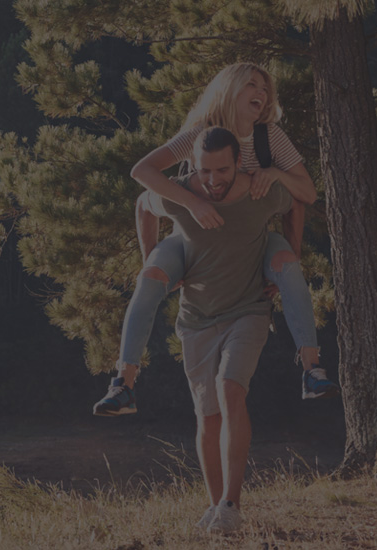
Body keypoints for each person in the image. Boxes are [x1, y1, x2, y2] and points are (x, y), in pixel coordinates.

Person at [94, 62, 338, 418]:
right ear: (229, 90)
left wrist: (272, 173)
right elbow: (142, 173)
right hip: (191, 239)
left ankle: (312, 370)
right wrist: (190, 203)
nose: (261, 93)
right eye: (252, 85)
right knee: (147, 280)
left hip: (253, 238)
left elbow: (307, 193)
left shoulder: (269, 136)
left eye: (265, 88)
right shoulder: (199, 136)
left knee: (289, 267)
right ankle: (123, 383)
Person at [128, 126, 297, 534]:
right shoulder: (183, 195)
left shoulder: (258, 191)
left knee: (230, 389)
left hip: (248, 310)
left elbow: (296, 200)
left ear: (237, 163)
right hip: (196, 318)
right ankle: (215, 505)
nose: (213, 180)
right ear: (194, 166)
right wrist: (153, 259)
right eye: (205, 171)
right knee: (207, 416)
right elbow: (143, 203)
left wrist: (291, 252)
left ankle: (231, 505)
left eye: (222, 170)